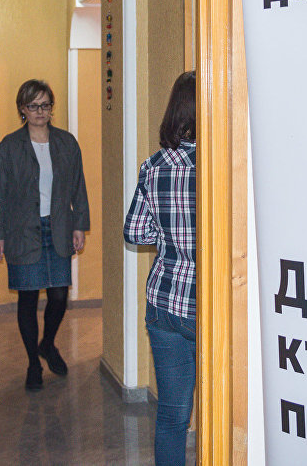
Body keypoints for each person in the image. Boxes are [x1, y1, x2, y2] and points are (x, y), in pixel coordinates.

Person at [0, 79, 90, 391]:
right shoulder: (9, 146)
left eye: (45, 105)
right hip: (22, 231)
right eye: (33, 106)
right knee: (28, 297)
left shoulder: (66, 143)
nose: (40, 111)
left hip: (58, 228)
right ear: (22, 109)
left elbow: (78, 187)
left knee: (59, 296)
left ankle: (47, 343)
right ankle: (33, 362)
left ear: (51, 108)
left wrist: (79, 225)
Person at [123, 71, 197, 466]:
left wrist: (168, 236)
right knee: (227, 411)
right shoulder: (219, 165)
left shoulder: (153, 166)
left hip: (164, 303)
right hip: (206, 305)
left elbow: (135, 231)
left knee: (172, 415)